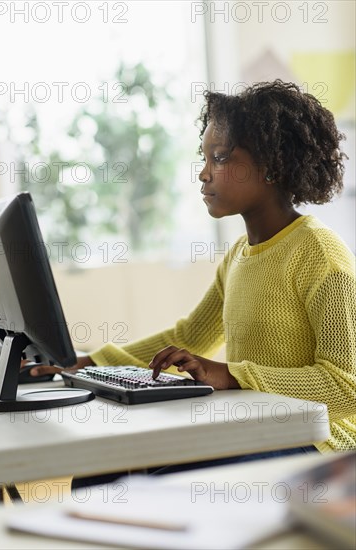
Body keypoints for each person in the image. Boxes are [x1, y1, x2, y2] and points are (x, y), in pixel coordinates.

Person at [30, 80, 356, 471]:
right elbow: (187, 337)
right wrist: (92, 361)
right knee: (110, 463)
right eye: (204, 158)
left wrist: (232, 375)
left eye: (219, 158)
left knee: (159, 472)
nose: (203, 174)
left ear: (270, 167)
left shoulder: (320, 255)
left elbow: (345, 387)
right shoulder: (239, 255)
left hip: (318, 443)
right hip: (259, 426)